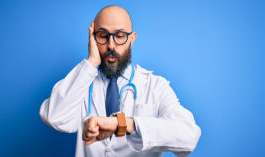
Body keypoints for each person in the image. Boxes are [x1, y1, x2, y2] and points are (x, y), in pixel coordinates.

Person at [39, 5, 201, 157]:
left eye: (120, 36)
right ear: (93, 38)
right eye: (103, 35)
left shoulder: (155, 86)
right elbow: (55, 117)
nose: (111, 45)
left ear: (132, 39)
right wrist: (91, 63)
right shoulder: (81, 83)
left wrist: (120, 124)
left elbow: (188, 136)